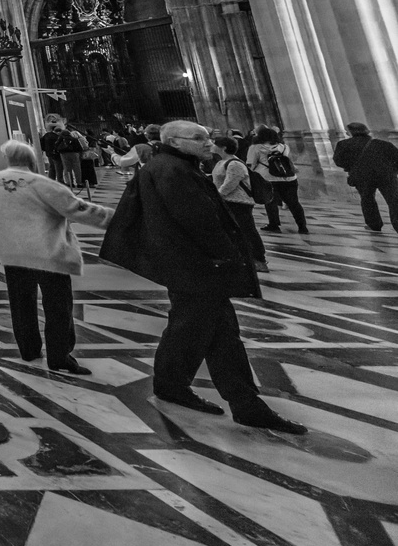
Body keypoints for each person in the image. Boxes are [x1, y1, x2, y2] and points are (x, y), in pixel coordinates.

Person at [99, 120, 306, 434]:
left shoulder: (170, 166)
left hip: (188, 264)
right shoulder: (173, 170)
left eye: (207, 137)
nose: (209, 143)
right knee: (204, 329)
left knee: (209, 330)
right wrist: (227, 255)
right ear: (177, 142)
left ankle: (230, 398)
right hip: (196, 265)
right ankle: (236, 400)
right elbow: (198, 220)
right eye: (199, 138)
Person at [0, 139, 112, 374]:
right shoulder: (41, 183)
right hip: (48, 252)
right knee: (58, 306)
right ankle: (59, 356)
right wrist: (116, 219)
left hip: (12, 253)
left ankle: (28, 350)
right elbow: (78, 209)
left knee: (20, 303)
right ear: (31, 160)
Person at [211, 135, 267, 270]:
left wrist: (217, 195)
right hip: (227, 201)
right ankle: (241, 257)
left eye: (214, 144)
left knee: (247, 230)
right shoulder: (220, 162)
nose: (211, 146)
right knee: (233, 231)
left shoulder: (234, 163)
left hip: (239, 202)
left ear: (223, 147)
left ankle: (259, 259)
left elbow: (230, 183)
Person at [334, 121, 398, 232]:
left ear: (350, 132)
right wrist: (393, 171)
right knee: (393, 200)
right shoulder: (382, 144)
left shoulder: (343, 145)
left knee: (367, 199)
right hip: (386, 175)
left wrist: (350, 168)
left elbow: (338, 161)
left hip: (362, 176)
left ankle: (374, 224)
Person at [245, 125, 307, 234]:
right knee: (294, 202)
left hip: (267, 177)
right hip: (288, 177)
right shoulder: (283, 147)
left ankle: (274, 224)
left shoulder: (255, 147)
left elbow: (251, 163)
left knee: (270, 202)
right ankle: (302, 226)